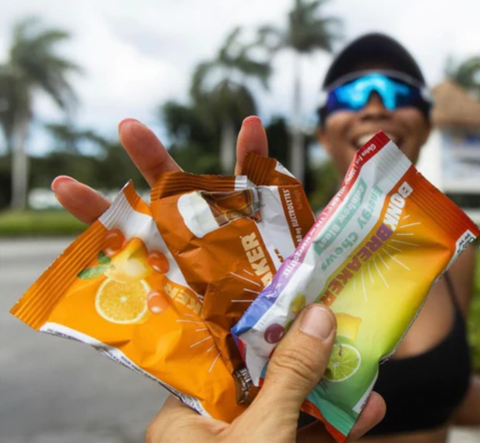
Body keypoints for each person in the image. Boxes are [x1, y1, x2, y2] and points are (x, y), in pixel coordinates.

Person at [51, 33, 480, 442]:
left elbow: (449, 396)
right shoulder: (273, 244)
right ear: (322, 133)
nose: (373, 106)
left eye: (398, 93)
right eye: (348, 94)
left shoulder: (455, 257)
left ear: (427, 125)